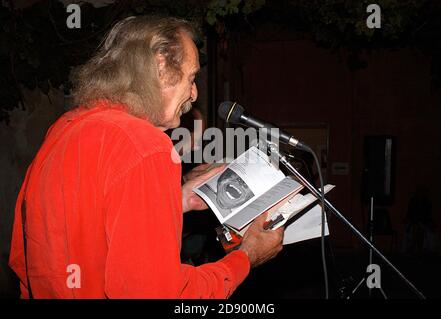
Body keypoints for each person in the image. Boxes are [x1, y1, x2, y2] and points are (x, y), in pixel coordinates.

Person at [8, 15, 283, 298]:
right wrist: (244, 258)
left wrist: (176, 200)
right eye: (191, 77)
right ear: (161, 68)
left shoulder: (66, 128)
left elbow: (50, 242)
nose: (194, 93)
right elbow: (157, 292)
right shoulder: (145, 145)